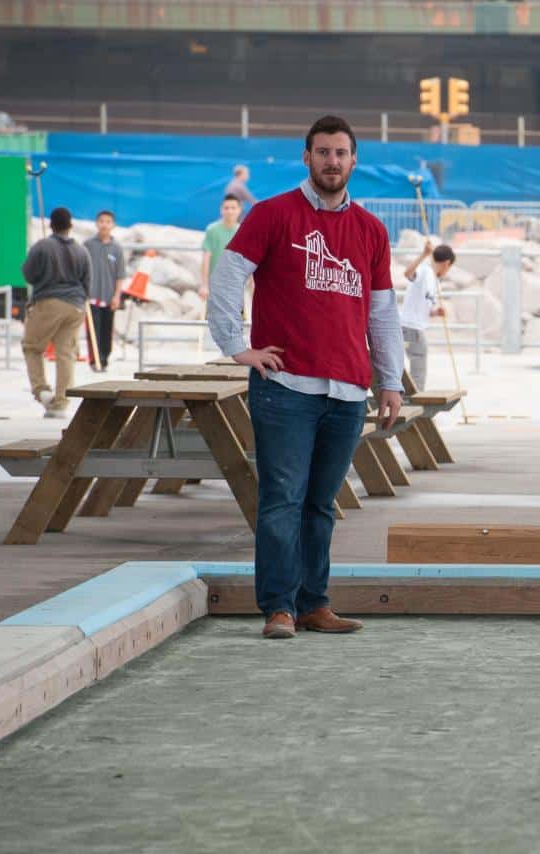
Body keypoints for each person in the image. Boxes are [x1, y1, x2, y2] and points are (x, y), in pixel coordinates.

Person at [207, 115, 404, 639]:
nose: (332, 162)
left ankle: (314, 603)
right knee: (281, 501)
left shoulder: (370, 230)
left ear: (354, 160)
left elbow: (381, 312)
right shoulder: (273, 215)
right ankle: (278, 607)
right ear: (307, 157)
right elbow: (227, 275)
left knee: (321, 504)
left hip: (347, 390)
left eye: (340, 153)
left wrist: (391, 381)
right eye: (322, 152)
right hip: (286, 389)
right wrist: (236, 346)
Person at [20, 207, 90, 418]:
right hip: (76, 306)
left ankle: (42, 391)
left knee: (32, 347)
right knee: (65, 353)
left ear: (51, 225)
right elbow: (88, 283)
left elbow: (28, 274)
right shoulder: (81, 251)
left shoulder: (42, 247)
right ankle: (61, 403)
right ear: (70, 226)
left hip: (49, 302)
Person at [400, 240, 455, 391]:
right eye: (449, 268)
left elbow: (424, 308)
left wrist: (436, 312)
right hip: (411, 327)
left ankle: (411, 397)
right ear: (447, 263)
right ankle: (415, 401)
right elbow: (408, 273)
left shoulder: (435, 281)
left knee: (415, 366)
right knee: (419, 367)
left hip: (415, 327)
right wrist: (424, 254)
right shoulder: (425, 271)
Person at [82, 209, 126, 372]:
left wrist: (117, 296)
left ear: (113, 225)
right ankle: (94, 360)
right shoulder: (88, 245)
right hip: (91, 297)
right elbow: (81, 269)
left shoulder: (117, 248)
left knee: (106, 330)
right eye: (101, 221)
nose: (104, 225)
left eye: (108, 222)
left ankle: (105, 358)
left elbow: (120, 275)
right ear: (96, 223)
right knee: (93, 330)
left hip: (109, 297)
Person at [201, 194, 243, 303]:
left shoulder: (243, 231)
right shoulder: (212, 230)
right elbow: (206, 258)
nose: (230, 211)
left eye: (233, 208)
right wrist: (204, 285)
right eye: (226, 208)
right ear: (221, 210)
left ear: (239, 210)